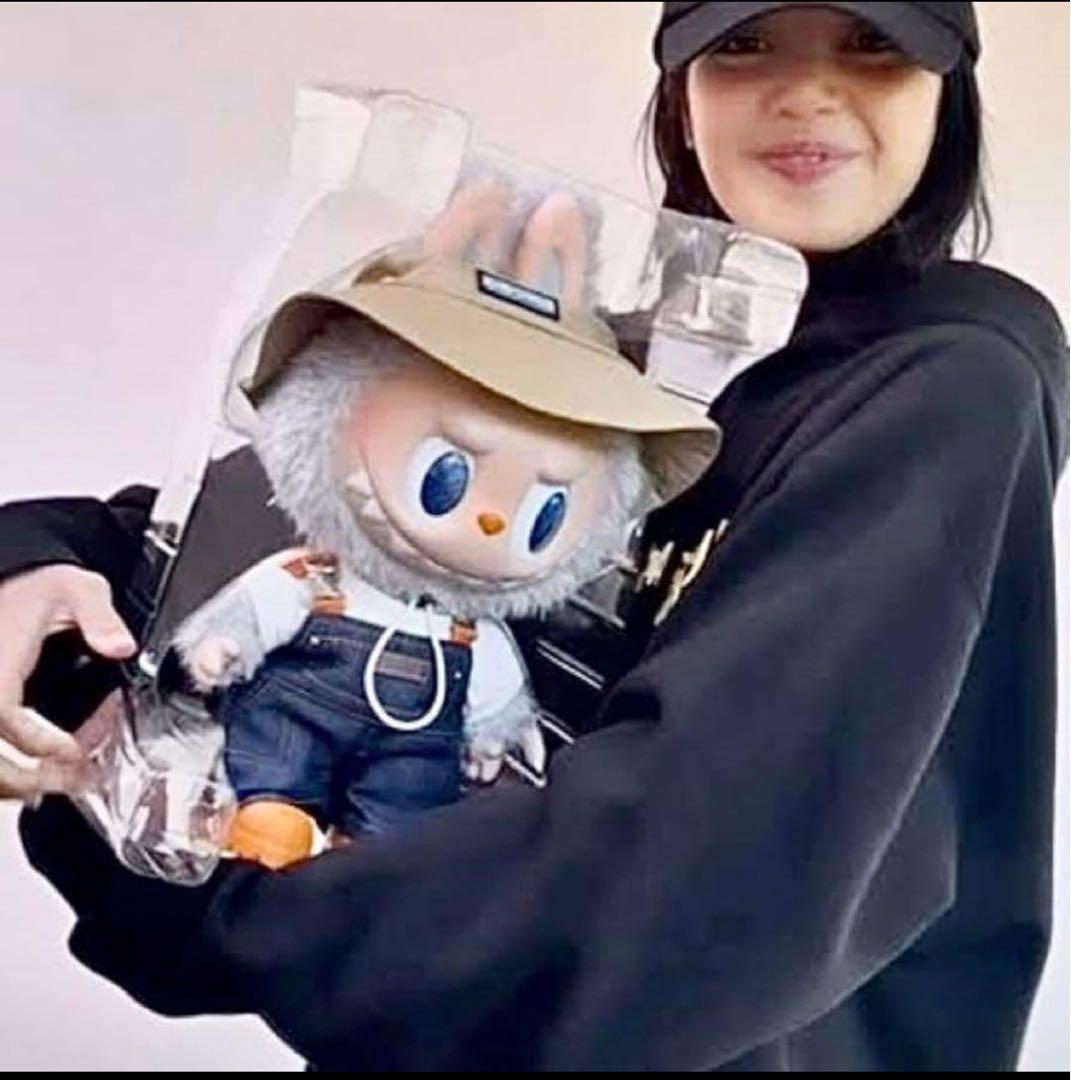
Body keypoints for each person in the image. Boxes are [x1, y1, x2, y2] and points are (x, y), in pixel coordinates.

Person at [1, 1, 1067, 1070]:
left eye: (874, 45)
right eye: (742, 46)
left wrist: (216, 909)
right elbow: (309, 526)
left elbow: (681, 884)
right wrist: (39, 565)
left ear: (948, 91)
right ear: (680, 93)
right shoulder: (629, 354)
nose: (805, 91)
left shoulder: (946, 390)